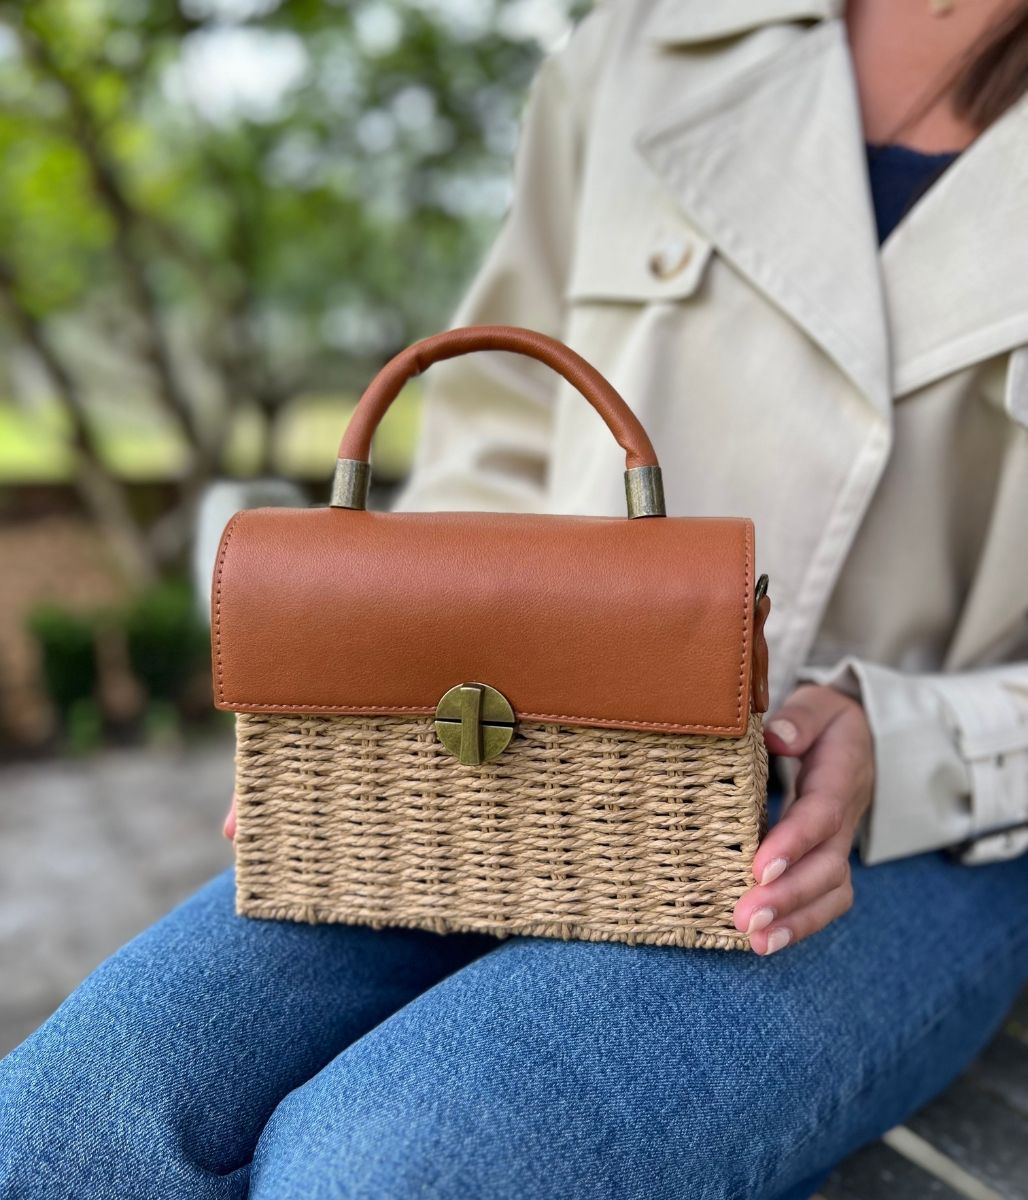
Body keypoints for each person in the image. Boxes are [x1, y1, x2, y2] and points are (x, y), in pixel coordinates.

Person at [2, 1, 1027, 1197]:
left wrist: (905, 742)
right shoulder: (647, 45)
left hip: (903, 831)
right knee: (55, 1130)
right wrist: (391, 697)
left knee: (388, 1171)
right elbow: (493, 443)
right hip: (517, 768)